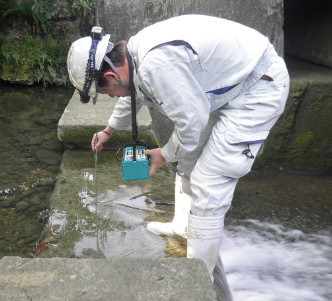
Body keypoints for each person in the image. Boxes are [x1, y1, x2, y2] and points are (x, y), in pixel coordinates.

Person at [66, 15, 289, 279]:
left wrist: (164, 154)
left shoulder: (155, 65)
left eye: (104, 92)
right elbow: (133, 94)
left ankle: (198, 278)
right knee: (189, 161)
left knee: (210, 179)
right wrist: (108, 131)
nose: (110, 96)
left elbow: (191, 125)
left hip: (257, 85)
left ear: (112, 76)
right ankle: (182, 229)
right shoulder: (134, 55)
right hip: (226, 87)